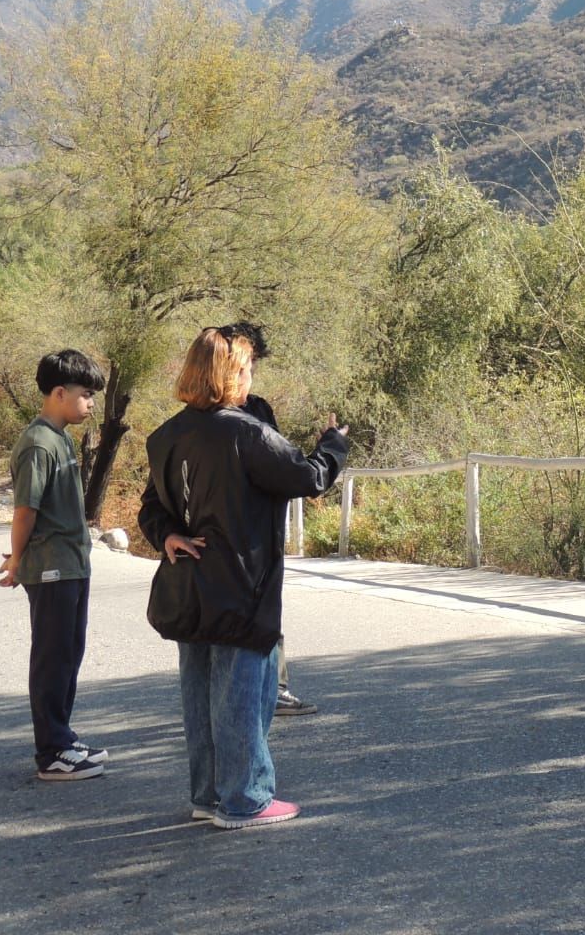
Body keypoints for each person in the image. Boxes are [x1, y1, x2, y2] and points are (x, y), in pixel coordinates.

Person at [140, 327, 347, 830]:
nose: (251, 376)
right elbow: (308, 477)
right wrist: (334, 445)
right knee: (243, 697)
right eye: (247, 366)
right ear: (230, 373)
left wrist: (168, 535)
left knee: (200, 696)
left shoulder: (165, 435)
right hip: (240, 586)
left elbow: (151, 508)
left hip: (188, 586)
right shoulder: (246, 433)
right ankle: (246, 799)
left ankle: (209, 795)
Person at [0, 349, 108, 781]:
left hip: (72, 564)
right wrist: (19, 559)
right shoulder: (38, 443)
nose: (91, 403)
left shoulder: (60, 436)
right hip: (51, 568)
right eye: (85, 395)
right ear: (59, 393)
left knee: (68, 653)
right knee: (52, 657)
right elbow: (25, 510)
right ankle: (52, 753)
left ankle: (63, 738)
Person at [227, 320, 319, 719]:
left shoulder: (259, 409)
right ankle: (242, 695)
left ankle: (275, 687)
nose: (251, 373)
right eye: (247, 363)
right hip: (228, 536)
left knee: (267, 609)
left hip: (263, 533)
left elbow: (281, 466)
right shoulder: (199, 419)